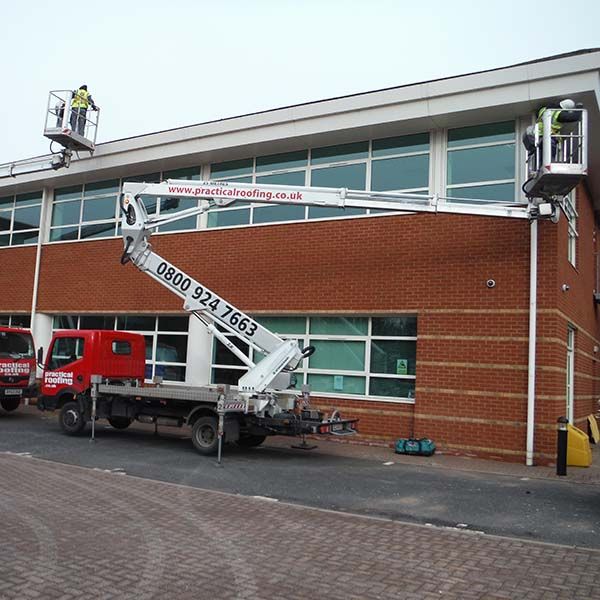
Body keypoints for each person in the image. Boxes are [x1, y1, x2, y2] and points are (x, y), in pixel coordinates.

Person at [522, 98, 583, 168]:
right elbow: (574, 117)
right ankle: (548, 164)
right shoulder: (558, 114)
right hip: (548, 137)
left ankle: (538, 167)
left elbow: (537, 114)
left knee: (540, 154)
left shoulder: (544, 110)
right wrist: (579, 108)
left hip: (537, 136)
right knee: (549, 152)